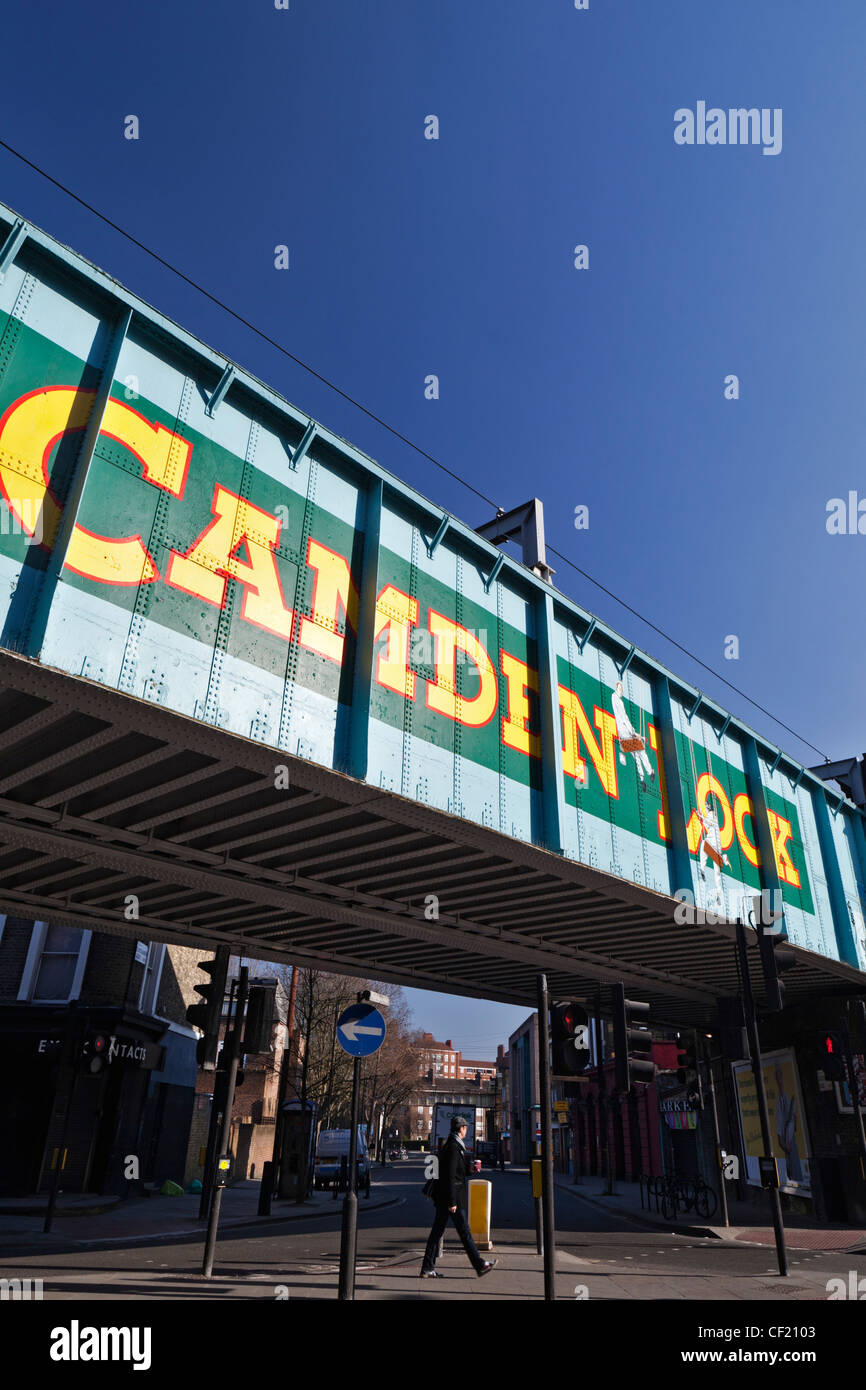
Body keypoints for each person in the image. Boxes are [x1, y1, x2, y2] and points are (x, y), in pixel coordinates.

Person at [420, 1117, 498, 1279]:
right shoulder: (454, 1147)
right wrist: (452, 1202)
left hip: (446, 1198)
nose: (466, 1130)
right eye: (465, 1127)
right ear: (461, 1128)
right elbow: (449, 1176)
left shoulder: (453, 1145)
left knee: (437, 1233)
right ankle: (480, 1265)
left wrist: (470, 1170)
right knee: (464, 1233)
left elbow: (456, 1172)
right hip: (451, 1199)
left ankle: (427, 1267)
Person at [611, 681, 654, 790]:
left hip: (622, 737)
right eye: (621, 689)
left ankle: (642, 779)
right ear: (618, 689)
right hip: (626, 733)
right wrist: (635, 734)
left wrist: (636, 734)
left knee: (636, 757)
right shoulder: (618, 701)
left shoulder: (614, 699)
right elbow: (625, 718)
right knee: (642, 752)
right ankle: (650, 772)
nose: (622, 691)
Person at [775, 1064, 803, 1184]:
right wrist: (785, 1146)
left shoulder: (785, 1099)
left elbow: (794, 1128)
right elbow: (780, 1134)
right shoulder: (781, 1103)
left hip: (792, 1143)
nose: (780, 1079)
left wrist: (795, 1120)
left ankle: (794, 1178)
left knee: (795, 1166)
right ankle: (792, 1178)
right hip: (789, 1145)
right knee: (792, 1166)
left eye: (780, 1076)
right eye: (778, 1076)